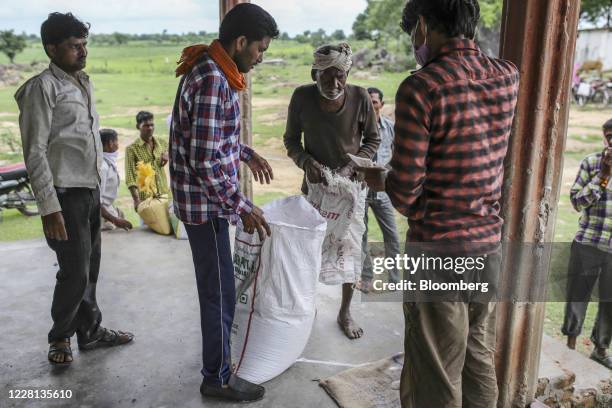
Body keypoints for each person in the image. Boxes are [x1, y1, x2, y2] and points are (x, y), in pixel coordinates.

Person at [360, 1, 519, 406]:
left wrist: (381, 179)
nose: (414, 42)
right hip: (487, 244)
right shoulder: (507, 76)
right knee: (477, 355)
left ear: (424, 27)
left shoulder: (422, 87)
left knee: (435, 371)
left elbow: (406, 191)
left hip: (438, 248)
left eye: (413, 32)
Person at [169, 3, 278, 402]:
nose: (260, 57)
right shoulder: (214, 77)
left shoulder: (213, 68)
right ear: (241, 41)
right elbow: (203, 159)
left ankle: (218, 364)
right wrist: (243, 206)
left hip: (205, 203)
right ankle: (216, 377)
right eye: (259, 49)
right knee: (219, 294)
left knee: (220, 290)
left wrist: (246, 153)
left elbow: (215, 137)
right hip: (206, 206)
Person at [15, 12, 134, 366]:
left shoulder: (82, 82)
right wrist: (49, 207)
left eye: (84, 45)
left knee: (90, 268)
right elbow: (34, 151)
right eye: (73, 46)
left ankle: (90, 331)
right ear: (52, 48)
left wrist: (101, 200)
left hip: (88, 190)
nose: (82, 52)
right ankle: (60, 336)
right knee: (75, 271)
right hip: (64, 195)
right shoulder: (42, 88)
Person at [283, 42, 380, 339]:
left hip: (350, 191)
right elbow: (290, 141)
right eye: (326, 77)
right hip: (316, 189)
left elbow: (373, 140)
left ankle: (345, 312)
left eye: (340, 76)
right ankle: (304, 308)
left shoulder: (361, 97)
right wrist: (305, 161)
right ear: (315, 74)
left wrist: (352, 167)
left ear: (347, 74)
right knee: (308, 248)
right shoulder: (301, 97)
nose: (334, 83)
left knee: (349, 251)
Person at [562, 118, 612, 369]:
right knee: (577, 296)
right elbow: (577, 202)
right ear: (604, 138)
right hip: (588, 243)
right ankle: (570, 346)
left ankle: (600, 349)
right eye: (610, 137)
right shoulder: (592, 163)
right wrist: (603, 177)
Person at [359, 87, 401, 292]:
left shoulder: (390, 127)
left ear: (381, 105)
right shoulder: (356, 129)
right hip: (361, 190)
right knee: (362, 235)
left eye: (374, 102)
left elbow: (398, 154)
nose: (371, 105)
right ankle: (366, 278)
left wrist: (388, 172)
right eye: (368, 102)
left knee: (392, 234)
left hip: (383, 191)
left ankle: (394, 280)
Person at [125, 111, 169, 210]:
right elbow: (130, 177)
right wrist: (136, 200)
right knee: (148, 225)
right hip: (146, 200)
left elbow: (171, 150)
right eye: (145, 125)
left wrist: (167, 153)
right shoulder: (132, 149)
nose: (150, 128)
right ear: (138, 126)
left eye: (151, 125)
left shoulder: (162, 143)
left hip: (164, 195)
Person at [99, 128, 133, 231]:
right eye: (116, 140)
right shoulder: (102, 167)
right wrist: (114, 220)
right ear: (110, 143)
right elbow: (96, 201)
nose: (118, 143)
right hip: (102, 215)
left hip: (107, 209)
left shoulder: (108, 162)